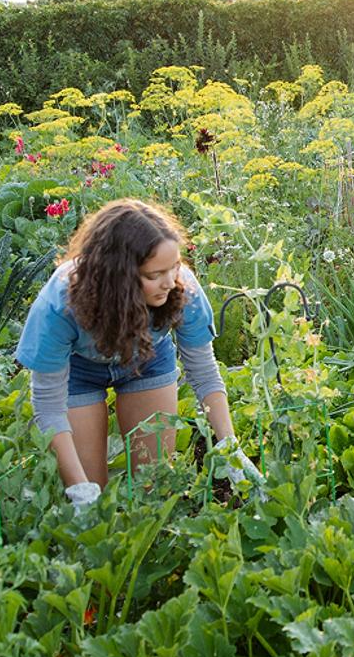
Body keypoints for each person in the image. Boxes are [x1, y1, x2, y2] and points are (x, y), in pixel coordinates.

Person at [14, 199, 257, 509]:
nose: (169, 282)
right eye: (154, 275)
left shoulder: (181, 286)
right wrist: (80, 490)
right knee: (91, 491)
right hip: (79, 371)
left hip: (147, 360)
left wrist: (229, 446)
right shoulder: (62, 301)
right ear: (119, 277)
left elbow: (204, 373)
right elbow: (48, 406)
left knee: (153, 487)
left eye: (174, 267)